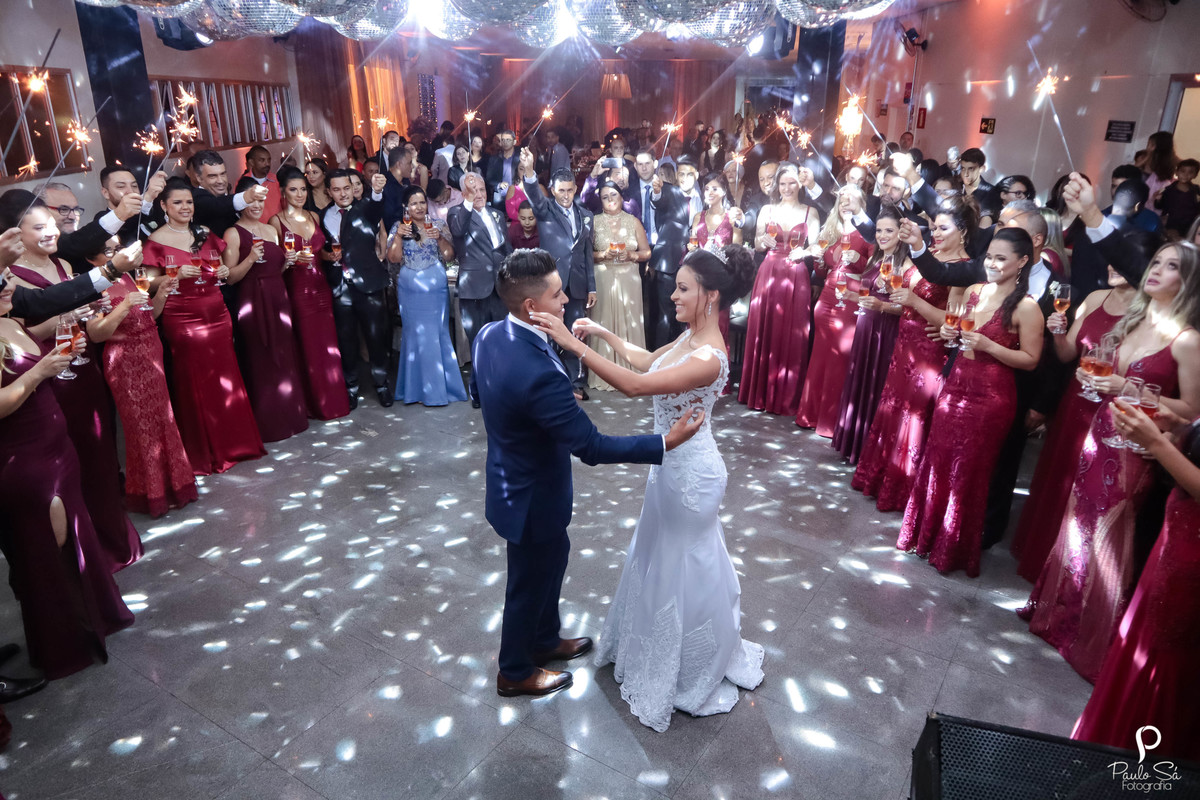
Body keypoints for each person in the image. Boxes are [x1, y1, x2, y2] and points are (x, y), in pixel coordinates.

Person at [532, 244, 763, 731]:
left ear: (711, 296)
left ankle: (689, 665)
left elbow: (636, 387)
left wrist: (573, 345)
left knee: (684, 564)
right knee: (660, 554)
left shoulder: (710, 356)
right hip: (668, 465)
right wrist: (601, 333)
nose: (673, 295)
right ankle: (658, 651)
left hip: (693, 476)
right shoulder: (688, 337)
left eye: (683, 288)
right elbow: (646, 363)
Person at [469, 248, 703, 699]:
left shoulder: (489, 334)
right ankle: (514, 671)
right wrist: (664, 443)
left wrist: (526, 419)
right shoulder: (538, 373)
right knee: (527, 582)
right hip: (532, 497)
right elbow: (592, 447)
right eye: (557, 294)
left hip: (508, 478)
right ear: (531, 306)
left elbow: (481, 391)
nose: (566, 301)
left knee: (553, 558)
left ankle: (544, 638)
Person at [1019, 241, 1200, 682]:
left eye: (1171, 266)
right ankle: (1057, 618)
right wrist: (1098, 379)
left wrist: (1125, 386)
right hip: (1099, 431)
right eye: (1156, 262)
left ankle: (1091, 638)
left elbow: (1192, 412)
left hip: (1135, 446)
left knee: (1109, 536)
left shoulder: (1188, 340)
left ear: (1188, 281)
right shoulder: (1132, 320)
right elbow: (1091, 366)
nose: (1156, 270)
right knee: (1077, 525)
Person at [0, 281, 135, 679]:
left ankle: (95, 616)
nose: (8, 286)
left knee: (75, 534)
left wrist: (62, 331)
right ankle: (63, 643)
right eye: (0, 282)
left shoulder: (11, 320)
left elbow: (37, 334)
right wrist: (41, 371)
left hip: (56, 444)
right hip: (25, 457)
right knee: (49, 545)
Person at [0, 198, 141, 572]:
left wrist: (88, 313)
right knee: (71, 462)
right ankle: (86, 552)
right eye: (39, 227)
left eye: (52, 223)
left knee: (100, 454)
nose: (51, 231)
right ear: (13, 235)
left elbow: (80, 269)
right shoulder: (9, 278)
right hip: (50, 374)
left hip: (82, 364)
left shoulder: (63, 262)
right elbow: (24, 328)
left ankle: (113, 538)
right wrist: (64, 318)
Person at [897, 228, 1044, 577]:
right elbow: (960, 332)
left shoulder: (1026, 307)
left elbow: (1031, 360)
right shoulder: (975, 291)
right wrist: (949, 333)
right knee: (938, 459)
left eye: (1001, 258)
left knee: (970, 471)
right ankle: (924, 535)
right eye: (989, 256)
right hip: (957, 384)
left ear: (1022, 262)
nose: (991, 263)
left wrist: (991, 346)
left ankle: (952, 548)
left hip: (991, 397)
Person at [1070, 405, 1200, 761]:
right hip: (1177, 539)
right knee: (1141, 645)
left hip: (1191, 561)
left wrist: (1158, 444)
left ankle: (1140, 766)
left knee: (1165, 664)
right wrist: (1183, 428)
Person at [1011, 262, 1137, 582]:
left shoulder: (1148, 313)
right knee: (1061, 479)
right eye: (1110, 258)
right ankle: (1044, 558)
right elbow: (1067, 353)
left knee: (1089, 490)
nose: (1111, 264)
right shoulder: (1095, 298)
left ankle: (1073, 572)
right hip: (1076, 402)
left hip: (1113, 412)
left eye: (1122, 259)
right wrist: (1057, 332)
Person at [851, 198, 972, 509]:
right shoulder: (928, 255)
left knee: (913, 417)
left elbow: (953, 321)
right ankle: (879, 479)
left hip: (928, 350)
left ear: (963, 231)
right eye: (934, 228)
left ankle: (902, 490)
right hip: (903, 344)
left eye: (943, 228)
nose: (936, 234)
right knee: (893, 409)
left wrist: (915, 303)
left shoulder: (963, 268)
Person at [143, 179, 265, 475]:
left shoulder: (204, 233)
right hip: (182, 316)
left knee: (226, 375)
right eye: (178, 203)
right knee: (195, 379)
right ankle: (206, 451)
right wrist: (173, 275)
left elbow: (220, 269)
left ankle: (235, 444)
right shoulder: (155, 240)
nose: (185, 207)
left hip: (217, 311)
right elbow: (147, 284)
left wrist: (222, 270)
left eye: (189, 202)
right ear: (164, 206)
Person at [85, 248, 197, 518]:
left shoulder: (128, 276)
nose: (116, 253)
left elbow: (149, 315)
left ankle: (176, 486)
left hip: (151, 351)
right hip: (125, 361)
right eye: (108, 250)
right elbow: (96, 334)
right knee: (140, 427)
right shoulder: (92, 286)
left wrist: (162, 294)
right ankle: (151, 494)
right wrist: (124, 306)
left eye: (117, 248)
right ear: (90, 256)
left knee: (164, 420)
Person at [224, 177, 309, 442]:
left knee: (284, 354)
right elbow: (230, 278)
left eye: (261, 201)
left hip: (278, 295)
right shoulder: (233, 233)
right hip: (252, 298)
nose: (257, 206)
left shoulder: (271, 230)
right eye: (253, 201)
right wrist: (250, 258)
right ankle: (269, 424)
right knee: (261, 357)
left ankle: (292, 416)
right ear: (242, 202)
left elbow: (276, 268)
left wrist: (288, 262)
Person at [738, 163, 822, 416]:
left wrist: (804, 252)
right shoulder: (767, 209)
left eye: (792, 183)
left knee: (793, 331)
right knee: (764, 327)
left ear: (799, 184)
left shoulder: (811, 212)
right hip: (769, 272)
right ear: (777, 185)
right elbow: (757, 243)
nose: (787, 188)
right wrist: (761, 241)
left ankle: (785, 396)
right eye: (783, 183)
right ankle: (759, 392)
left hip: (796, 274)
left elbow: (817, 247)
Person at [269, 168, 349, 421]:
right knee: (310, 345)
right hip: (298, 288)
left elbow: (320, 252)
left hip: (321, 286)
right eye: (294, 190)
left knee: (328, 344)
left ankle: (336, 400)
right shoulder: (275, 222)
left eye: (303, 189)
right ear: (283, 192)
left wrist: (330, 255)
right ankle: (316, 404)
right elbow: (274, 264)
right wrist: (289, 260)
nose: (300, 194)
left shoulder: (314, 216)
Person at [831, 204, 908, 460]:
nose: (883, 236)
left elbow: (908, 307)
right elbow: (870, 294)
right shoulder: (877, 257)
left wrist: (882, 306)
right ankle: (853, 441)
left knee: (877, 382)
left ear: (900, 233)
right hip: (866, 325)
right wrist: (852, 295)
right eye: (879, 231)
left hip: (886, 331)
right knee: (860, 378)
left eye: (889, 231)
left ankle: (869, 449)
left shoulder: (906, 263)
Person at [520, 151, 595, 397]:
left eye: (570, 190)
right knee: (549, 331)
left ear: (575, 189)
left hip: (578, 284)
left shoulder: (585, 215)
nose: (565, 195)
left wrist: (592, 286)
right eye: (561, 190)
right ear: (552, 190)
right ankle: (551, 380)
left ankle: (576, 382)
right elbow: (533, 194)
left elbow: (586, 253)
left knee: (576, 331)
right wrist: (529, 170)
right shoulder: (545, 210)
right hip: (551, 284)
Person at [799, 185, 872, 438]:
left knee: (840, 356)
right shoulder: (831, 230)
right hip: (828, 293)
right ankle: (809, 415)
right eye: (842, 201)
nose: (845, 205)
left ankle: (830, 422)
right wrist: (818, 260)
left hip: (850, 294)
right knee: (820, 354)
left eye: (851, 200)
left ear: (861, 204)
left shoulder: (867, 233)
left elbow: (873, 268)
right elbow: (821, 272)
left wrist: (858, 260)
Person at [386, 186, 466, 407]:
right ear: (406, 207)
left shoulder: (438, 224)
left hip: (435, 289)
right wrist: (399, 236)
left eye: (422, 202)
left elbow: (450, 257)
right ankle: (415, 390)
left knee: (437, 334)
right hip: (409, 291)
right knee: (413, 335)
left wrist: (439, 239)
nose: (419, 207)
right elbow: (393, 259)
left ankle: (441, 389)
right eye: (414, 203)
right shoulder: (399, 227)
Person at [320, 168, 391, 409]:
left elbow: (376, 205)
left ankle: (381, 385)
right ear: (329, 192)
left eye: (347, 188)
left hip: (368, 285)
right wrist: (327, 255)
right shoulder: (323, 215)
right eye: (337, 189)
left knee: (376, 337)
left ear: (353, 188)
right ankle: (350, 387)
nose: (343, 194)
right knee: (346, 340)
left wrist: (377, 191)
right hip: (340, 287)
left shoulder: (365, 208)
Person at [589, 180, 650, 391]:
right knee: (604, 320)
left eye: (613, 195)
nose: (610, 200)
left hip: (629, 278)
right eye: (605, 197)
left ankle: (632, 369)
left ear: (622, 197)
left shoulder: (633, 221)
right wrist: (602, 255)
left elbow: (647, 252)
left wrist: (632, 255)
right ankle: (604, 372)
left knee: (629, 321)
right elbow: (585, 254)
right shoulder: (594, 222)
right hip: (603, 277)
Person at [448, 173, 513, 359]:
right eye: (472, 190)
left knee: (503, 340)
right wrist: (468, 201)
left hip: (499, 288)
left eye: (481, 190)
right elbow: (458, 230)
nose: (478, 194)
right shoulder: (457, 212)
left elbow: (506, 249)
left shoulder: (497, 214)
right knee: (479, 342)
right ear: (463, 194)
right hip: (474, 289)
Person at [186, 150, 269, 236]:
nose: (220, 181)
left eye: (223, 174)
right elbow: (217, 205)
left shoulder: (229, 199)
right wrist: (247, 197)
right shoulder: (196, 198)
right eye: (213, 176)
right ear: (199, 178)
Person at [98, 167, 166, 245]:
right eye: (121, 186)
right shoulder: (102, 220)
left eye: (134, 186)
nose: (130, 191)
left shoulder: (153, 211)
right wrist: (148, 196)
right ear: (106, 193)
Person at [1158, 158, 1200, 238]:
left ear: (1195, 175)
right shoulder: (1168, 190)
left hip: (1189, 228)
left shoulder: (1197, 192)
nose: (1185, 175)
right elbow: (1159, 206)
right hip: (1170, 226)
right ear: (1176, 172)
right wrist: (1158, 199)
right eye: (1183, 171)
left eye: (1190, 172)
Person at [1142, 130, 1179, 215]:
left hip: (1153, 188)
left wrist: (1148, 155)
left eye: (1150, 144)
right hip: (1159, 188)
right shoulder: (1171, 159)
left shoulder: (1151, 158)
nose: (1148, 147)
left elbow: (1139, 168)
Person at [240, 145, 281, 221]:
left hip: (277, 225)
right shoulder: (243, 181)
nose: (267, 164)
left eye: (269, 160)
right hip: (253, 226)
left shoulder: (277, 179)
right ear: (252, 162)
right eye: (262, 160)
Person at [485, 130, 521, 211]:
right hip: (499, 194)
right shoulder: (494, 159)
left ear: (514, 142)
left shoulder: (520, 158)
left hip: (516, 193)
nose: (505, 142)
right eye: (503, 140)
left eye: (508, 140)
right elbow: (489, 179)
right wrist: (498, 184)